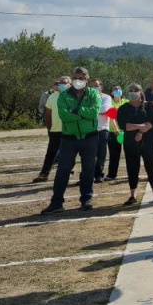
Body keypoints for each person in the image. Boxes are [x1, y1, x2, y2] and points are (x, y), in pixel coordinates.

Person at [41, 67, 102, 214]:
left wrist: (75, 111)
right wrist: (82, 114)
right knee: (63, 170)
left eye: (81, 78)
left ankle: (86, 200)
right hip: (69, 138)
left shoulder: (94, 93)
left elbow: (94, 113)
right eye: (75, 77)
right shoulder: (63, 95)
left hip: (90, 137)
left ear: (87, 79)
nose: (78, 81)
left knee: (88, 170)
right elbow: (64, 115)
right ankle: (57, 203)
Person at [116, 83, 153, 205]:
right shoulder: (123, 108)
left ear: (141, 92)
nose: (132, 92)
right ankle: (133, 195)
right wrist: (141, 126)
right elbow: (125, 126)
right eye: (130, 90)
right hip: (130, 142)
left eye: (135, 90)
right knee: (132, 167)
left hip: (149, 141)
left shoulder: (149, 106)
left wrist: (140, 132)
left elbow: (152, 123)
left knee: (150, 166)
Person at [34, 76, 70, 183]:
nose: (61, 85)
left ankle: (67, 173)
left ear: (70, 84)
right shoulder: (52, 97)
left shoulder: (74, 96)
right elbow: (48, 114)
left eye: (64, 83)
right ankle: (44, 174)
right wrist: (49, 128)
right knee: (51, 153)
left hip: (69, 130)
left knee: (68, 153)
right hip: (55, 130)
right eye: (60, 83)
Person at [88, 79, 113, 184]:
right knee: (89, 154)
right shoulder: (87, 97)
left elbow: (105, 109)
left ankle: (98, 175)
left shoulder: (106, 97)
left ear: (101, 87)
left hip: (103, 129)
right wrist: (97, 111)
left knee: (101, 154)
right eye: (92, 86)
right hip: (89, 129)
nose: (94, 88)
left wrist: (93, 110)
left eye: (96, 86)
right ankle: (88, 175)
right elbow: (84, 110)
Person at [103, 84, 126, 182]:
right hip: (113, 132)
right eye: (115, 89)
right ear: (111, 92)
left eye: (119, 88)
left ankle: (132, 173)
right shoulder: (110, 102)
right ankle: (112, 174)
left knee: (130, 154)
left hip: (126, 132)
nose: (117, 90)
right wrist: (116, 128)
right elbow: (111, 117)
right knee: (114, 155)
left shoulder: (126, 102)